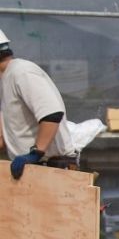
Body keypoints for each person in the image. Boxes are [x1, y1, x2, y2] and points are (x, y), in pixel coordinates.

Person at [0, 29, 78, 178]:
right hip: (31, 170)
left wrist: (36, 152)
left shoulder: (21, 72)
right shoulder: (5, 81)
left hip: (52, 169)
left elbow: (52, 114)